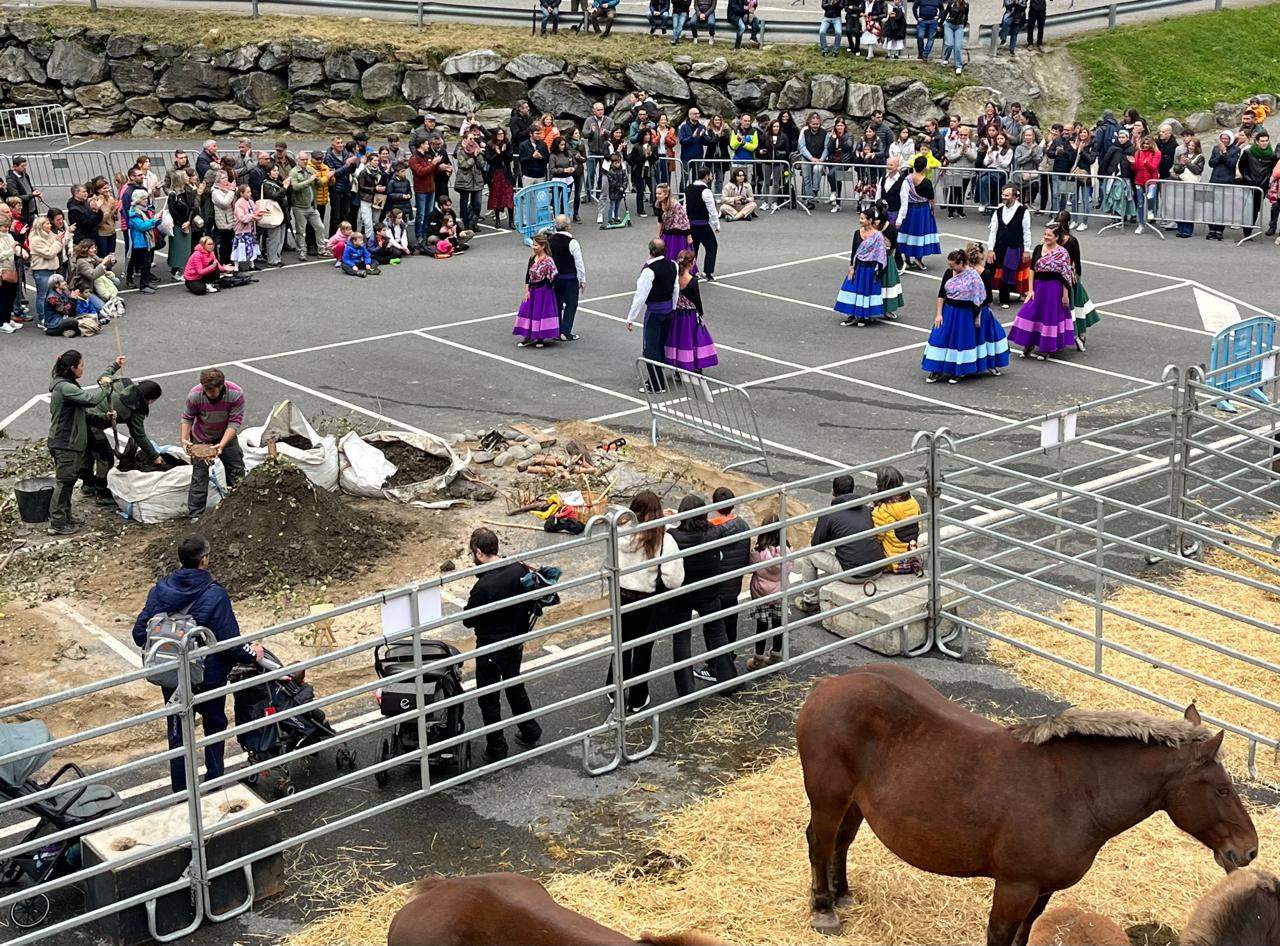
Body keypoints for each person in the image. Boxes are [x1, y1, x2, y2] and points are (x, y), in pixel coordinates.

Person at [132, 535, 264, 794]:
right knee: (214, 725)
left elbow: (139, 634)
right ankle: (214, 783)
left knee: (178, 735)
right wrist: (253, 654)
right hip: (209, 676)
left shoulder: (159, 590)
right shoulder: (214, 594)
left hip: (173, 675)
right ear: (204, 560)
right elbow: (231, 642)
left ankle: (182, 794)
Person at [461, 527, 544, 764]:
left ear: (478, 552)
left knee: (489, 698)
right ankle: (530, 730)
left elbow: (468, 620)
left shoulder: (483, 587)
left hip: (490, 647)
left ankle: (497, 747)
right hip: (515, 642)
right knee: (514, 686)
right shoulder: (519, 568)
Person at [608, 490, 684, 712]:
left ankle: (614, 690)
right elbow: (673, 579)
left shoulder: (617, 534)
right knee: (642, 648)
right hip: (646, 599)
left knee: (621, 644)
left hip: (620, 596)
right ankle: (638, 697)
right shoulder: (662, 538)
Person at [46, 351, 124, 534]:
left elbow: (85, 414)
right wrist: (106, 388)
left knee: (69, 481)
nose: (83, 368)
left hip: (70, 444)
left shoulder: (69, 386)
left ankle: (66, 517)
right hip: (65, 444)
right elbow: (91, 400)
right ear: (72, 368)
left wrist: (104, 417)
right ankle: (57, 523)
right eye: (81, 365)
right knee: (64, 483)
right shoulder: (65, 388)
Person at [668, 494, 736, 693]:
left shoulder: (674, 537)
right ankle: (728, 680)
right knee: (717, 633)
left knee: (682, 639)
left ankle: (685, 689)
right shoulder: (714, 532)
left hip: (683, 594)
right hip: (709, 591)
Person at [793, 476, 884, 612]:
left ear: (833, 492)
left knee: (808, 556)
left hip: (854, 574)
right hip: (877, 568)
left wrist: (822, 532)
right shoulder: (865, 509)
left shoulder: (829, 514)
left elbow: (816, 544)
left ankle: (810, 601)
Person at [923, 248, 1007, 383]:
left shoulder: (974, 276)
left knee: (961, 342)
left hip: (965, 313)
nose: (951, 268)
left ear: (961, 262)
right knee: (940, 338)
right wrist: (939, 314)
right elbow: (941, 294)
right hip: (948, 311)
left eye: (953, 265)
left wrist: (976, 315)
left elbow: (981, 297)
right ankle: (936, 369)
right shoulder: (949, 273)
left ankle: (959, 371)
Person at [182, 368, 246, 519]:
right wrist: (185, 440)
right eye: (207, 390)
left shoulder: (236, 394)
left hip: (226, 437)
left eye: (213, 391)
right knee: (199, 476)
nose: (209, 394)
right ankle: (196, 516)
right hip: (201, 437)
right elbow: (187, 417)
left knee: (236, 470)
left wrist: (222, 445)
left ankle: (240, 509)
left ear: (222, 386)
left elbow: (235, 422)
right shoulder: (195, 395)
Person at [1008, 224, 1076, 360]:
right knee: (1028, 313)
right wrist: (1030, 290)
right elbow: (1032, 269)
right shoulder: (1039, 248)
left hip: (1053, 289)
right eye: (1045, 234)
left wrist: (1065, 295)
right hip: (1038, 287)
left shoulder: (1062, 253)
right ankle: (1028, 344)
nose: (1046, 237)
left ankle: (1046, 348)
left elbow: (1066, 275)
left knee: (1048, 317)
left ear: (1056, 237)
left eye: (1049, 235)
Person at [626, 238, 680, 393]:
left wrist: (631, 318)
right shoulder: (673, 265)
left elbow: (640, 296)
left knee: (650, 348)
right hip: (668, 310)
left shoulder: (649, 270)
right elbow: (675, 289)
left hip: (655, 312)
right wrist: (673, 308)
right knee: (660, 345)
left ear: (650, 251)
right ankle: (657, 378)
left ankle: (657, 384)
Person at [707, 486, 750, 671]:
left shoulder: (713, 530)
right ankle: (729, 656)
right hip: (734, 585)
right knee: (730, 622)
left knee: (713, 628)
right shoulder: (743, 525)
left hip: (716, 588)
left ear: (715, 505)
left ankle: (714, 666)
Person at [744, 514, 790, 670]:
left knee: (761, 626)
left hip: (761, 593)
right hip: (779, 593)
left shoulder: (758, 551)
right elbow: (788, 569)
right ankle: (776, 654)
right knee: (778, 624)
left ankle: (758, 659)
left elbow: (751, 567)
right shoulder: (787, 550)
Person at [93, 378, 165, 471]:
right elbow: (139, 436)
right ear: (148, 399)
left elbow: (106, 379)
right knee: (106, 459)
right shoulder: (136, 409)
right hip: (92, 424)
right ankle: (96, 484)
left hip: (81, 410)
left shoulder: (124, 382)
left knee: (88, 455)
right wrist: (155, 456)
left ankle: (88, 479)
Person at [665, 250, 718, 373]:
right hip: (689, 315)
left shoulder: (674, 277)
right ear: (692, 263)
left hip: (676, 313)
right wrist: (701, 314)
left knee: (677, 339)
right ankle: (695, 365)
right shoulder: (692, 281)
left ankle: (678, 366)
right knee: (693, 340)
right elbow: (697, 300)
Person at [836, 208, 890, 327]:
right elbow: (854, 252)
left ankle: (863, 316)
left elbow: (881, 255)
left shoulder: (878, 236)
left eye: (862, 218)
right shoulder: (857, 233)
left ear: (870, 220)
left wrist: (879, 272)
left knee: (866, 292)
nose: (860, 220)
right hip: (859, 266)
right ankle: (852, 315)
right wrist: (851, 268)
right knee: (852, 289)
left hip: (870, 268)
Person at [1056, 210, 1098, 352]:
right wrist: (1078, 277)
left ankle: (1061, 335)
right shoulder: (1072, 240)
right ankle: (1080, 334)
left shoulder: (1054, 239)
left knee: (1065, 308)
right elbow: (1077, 263)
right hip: (1071, 276)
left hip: (1057, 277)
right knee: (1077, 307)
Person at [986, 184, 1032, 307]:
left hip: (1013, 246)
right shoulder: (998, 210)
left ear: (1015, 197)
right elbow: (993, 231)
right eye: (1003, 195)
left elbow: (1026, 231)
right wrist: (990, 249)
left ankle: (1004, 299)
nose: (1003, 197)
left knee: (1008, 271)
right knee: (989, 270)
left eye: (1006, 195)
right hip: (998, 246)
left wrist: (1027, 250)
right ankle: (985, 297)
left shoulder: (1023, 211)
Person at [513, 231, 560, 350]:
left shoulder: (548, 260)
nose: (533, 247)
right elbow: (527, 276)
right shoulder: (532, 258)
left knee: (540, 314)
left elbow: (554, 275)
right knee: (527, 311)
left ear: (543, 246)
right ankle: (527, 336)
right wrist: (527, 291)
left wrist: (548, 286)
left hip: (543, 290)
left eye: (536, 245)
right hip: (532, 290)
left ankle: (540, 337)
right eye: (533, 245)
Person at [871, 466, 922, 571]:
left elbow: (877, 538)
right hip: (913, 558)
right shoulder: (912, 501)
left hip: (895, 562)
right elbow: (919, 525)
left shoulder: (881, 510)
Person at [896, 155, 941, 270]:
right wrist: (933, 212)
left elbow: (903, 197)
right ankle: (918, 259)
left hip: (910, 210)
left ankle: (907, 258)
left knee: (908, 233)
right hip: (922, 211)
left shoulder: (907, 179)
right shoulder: (926, 182)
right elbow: (932, 200)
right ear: (925, 167)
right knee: (920, 233)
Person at [29, 213, 72, 330]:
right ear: (40, 226)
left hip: (50, 269)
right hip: (42, 271)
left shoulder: (47, 235)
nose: (49, 225)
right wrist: (58, 241)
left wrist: (62, 238)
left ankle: (49, 316)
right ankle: (43, 318)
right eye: (47, 223)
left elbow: (59, 245)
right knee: (42, 296)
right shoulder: (36, 239)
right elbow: (50, 253)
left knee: (48, 295)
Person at [548, 216, 586, 342]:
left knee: (557, 304)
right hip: (569, 279)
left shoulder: (550, 240)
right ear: (568, 226)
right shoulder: (572, 242)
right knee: (571, 305)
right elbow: (579, 263)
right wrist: (582, 279)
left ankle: (557, 330)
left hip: (555, 278)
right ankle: (565, 331)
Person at [1236, 131, 1276, 239]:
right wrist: (1247, 180)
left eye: (1266, 141)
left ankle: (1248, 231)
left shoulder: (1272, 155)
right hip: (1249, 184)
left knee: (1255, 209)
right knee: (1246, 207)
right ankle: (1245, 229)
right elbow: (1242, 166)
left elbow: (1272, 170)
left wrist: (1267, 182)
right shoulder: (1249, 152)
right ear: (1257, 142)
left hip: (1261, 186)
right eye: (1262, 141)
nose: (1264, 143)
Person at [1205, 132, 1240, 242]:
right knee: (1212, 206)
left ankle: (1220, 230)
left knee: (1223, 207)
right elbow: (1211, 163)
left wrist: (1224, 152)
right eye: (1222, 138)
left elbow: (1231, 164)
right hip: (1215, 179)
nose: (1224, 140)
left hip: (1227, 181)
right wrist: (1220, 155)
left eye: (1226, 138)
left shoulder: (1236, 150)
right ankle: (1211, 229)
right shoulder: (1216, 148)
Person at [126, 190, 161, 294]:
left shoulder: (145, 210)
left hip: (148, 241)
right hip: (140, 242)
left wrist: (158, 219)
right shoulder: (134, 213)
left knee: (148, 263)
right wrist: (154, 220)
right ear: (137, 200)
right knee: (144, 263)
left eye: (146, 198)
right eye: (143, 199)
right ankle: (143, 285)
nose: (146, 200)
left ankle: (146, 282)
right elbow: (141, 226)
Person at [1172, 132, 1205, 239]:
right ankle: (1180, 228)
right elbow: (1176, 169)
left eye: (1193, 145)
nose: (1190, 147)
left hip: (1192, 183)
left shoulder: (1200, 157)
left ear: (1196, 147)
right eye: (1189, 145)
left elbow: (1197, 170)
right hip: (1182, 182)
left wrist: (1188, 163)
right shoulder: (1183, 155)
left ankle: (1187, 230)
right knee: (1179, 206)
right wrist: (1181, 164)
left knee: (1189, 207)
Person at [484, 129, 516, 230]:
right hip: (496, 173)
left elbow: (510, 158)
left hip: (506, 173)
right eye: (499, 134)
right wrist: (497, 153)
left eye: (502, 133)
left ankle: (511, 221)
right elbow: (489, 160)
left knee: (509, 197)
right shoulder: (489, 145)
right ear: (495, 135)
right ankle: (497, 219)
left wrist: (503, 152)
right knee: (497, 196)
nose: (501, 135)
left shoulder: (507, 143)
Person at [230, 184, 262, 270]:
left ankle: (252, 264)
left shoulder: (250, 201)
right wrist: (252, 216)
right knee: (238, 248)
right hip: (241, 230)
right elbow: (242, 218)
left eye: (250, 191)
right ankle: (236, 267)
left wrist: (259, 214)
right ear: (241, 193)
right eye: (247, 192)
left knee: (252, 246)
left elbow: (255, 211)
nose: (250, 193)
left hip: (250, 229)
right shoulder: (239, 203)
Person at [941, 0, 968, 73]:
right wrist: (940, 24)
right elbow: (945, 13)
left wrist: (963, 26)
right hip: (949, 25)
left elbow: (966, 17)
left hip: (959, 26)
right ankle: (946, 58)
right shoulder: (951, 3)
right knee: (949, 44)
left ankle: (958, 66)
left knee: (958, 46)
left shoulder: (966, 5)